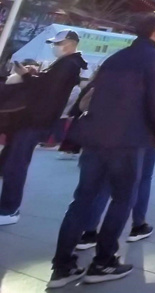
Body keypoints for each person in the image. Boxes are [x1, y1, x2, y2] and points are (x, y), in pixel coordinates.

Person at [48, 14, 155, 287]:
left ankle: (62, 266)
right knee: (122, 198)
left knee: (82, 199)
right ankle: (103, 262)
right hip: (129, 139)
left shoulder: (115, 58)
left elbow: (93, 94)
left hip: (96, 137)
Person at [78, 43, 155, 248]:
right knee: (141, 180)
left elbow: (86, 102)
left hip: (110, 132)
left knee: (106, 182)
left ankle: (89, 231)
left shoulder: (119, 65)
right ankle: (137, 226)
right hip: (148, 135)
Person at [0, 29, 88, 226]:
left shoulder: (68, 64)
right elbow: (49, 86)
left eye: (58, 43)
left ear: (71, 43)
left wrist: (28, 76)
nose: (55, 47)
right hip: (35, 120)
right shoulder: (69, 64)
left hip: (35, 121)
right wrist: (35, 76)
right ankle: (7, 205)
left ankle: (9, 208)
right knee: (11, 162)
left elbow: (47, 90)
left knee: (16, 164)